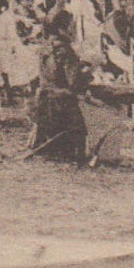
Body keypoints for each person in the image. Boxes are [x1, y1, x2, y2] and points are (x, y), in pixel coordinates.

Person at [29, 10, 91, 162]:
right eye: (72, 26)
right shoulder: (65, 51)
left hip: (44, 101)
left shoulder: (45, 47)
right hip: (62, 105)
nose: (74, 30)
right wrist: (87, 71)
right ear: (63, 29)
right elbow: (74, 83)